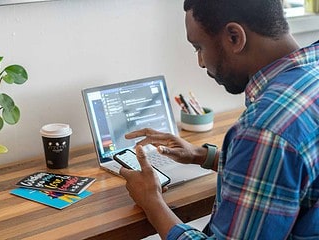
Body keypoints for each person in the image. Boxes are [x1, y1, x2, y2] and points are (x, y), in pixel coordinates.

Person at [119, 0, 319, 239]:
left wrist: (152, 202)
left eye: (199, 47)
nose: (201, 62)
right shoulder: (310, 77)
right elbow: (292, 174)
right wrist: (203, 156)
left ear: (234, 37)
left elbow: (273, 145)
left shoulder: (264, 129)